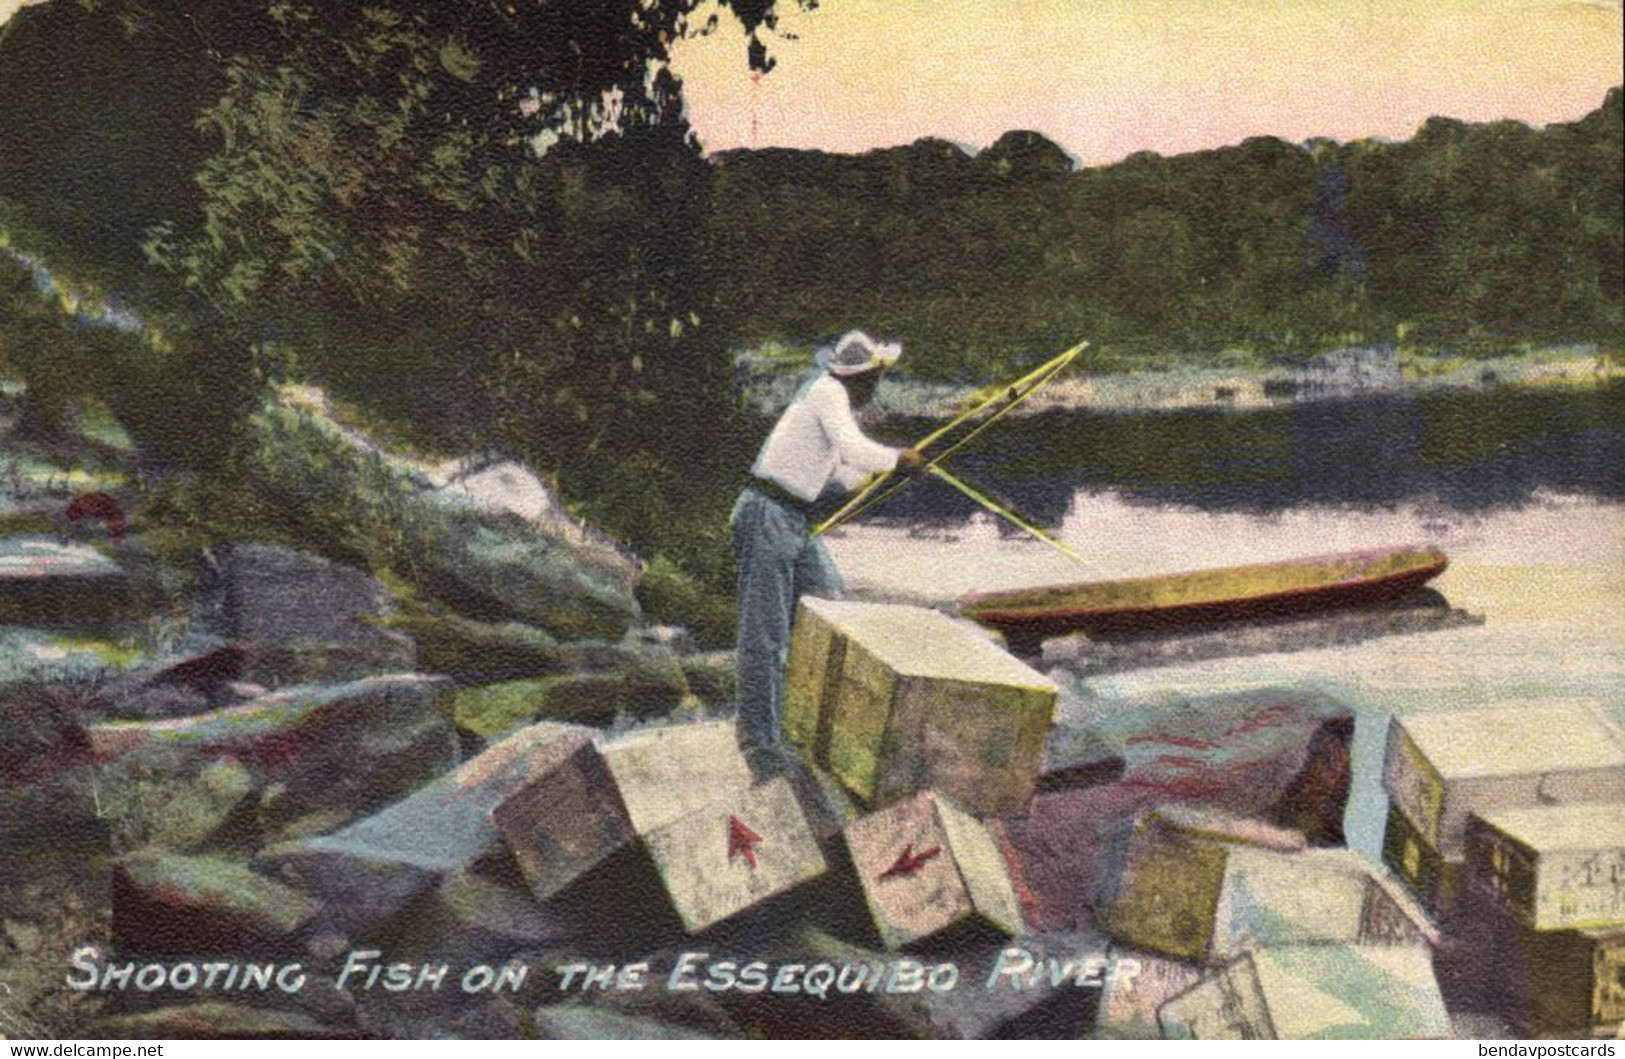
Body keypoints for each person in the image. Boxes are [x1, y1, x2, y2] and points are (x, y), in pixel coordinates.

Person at [732, 330, 927, 776]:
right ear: (860, 377)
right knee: (766, 635)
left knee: (833, 608)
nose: (876, 388)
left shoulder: (833, 401)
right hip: (767, 512)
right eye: (875, 379)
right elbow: (856, 448)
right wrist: (898, 458)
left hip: (793, 519)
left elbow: (846, 474)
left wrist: (890, 469)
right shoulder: (827, 392)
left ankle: (813, 728)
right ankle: (760, 745)